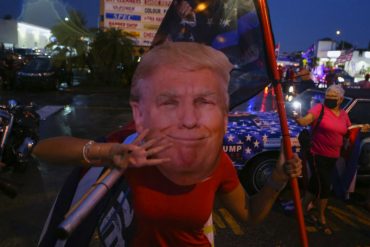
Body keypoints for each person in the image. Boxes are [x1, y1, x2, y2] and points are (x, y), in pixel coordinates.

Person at [33, 42, 302, 246]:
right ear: (140, 113)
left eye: (203, 101)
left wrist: (276, 179)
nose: (188, 119)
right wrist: (105, 152)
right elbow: (43, 150)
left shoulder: (217, 163)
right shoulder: (131, 147)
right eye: (170, 102)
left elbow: (250, 215)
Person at [294, 85, 351, 235]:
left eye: (333, 98)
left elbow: (348, 131)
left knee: (315, 185)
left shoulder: (344, 115)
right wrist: (299, 119)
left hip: (333, 157)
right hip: (317, 154)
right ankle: (321, 218)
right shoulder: (320, 108)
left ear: (340, 100)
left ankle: (300, 210)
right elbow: (306, 120)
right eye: (328, 97)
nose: (329, 100)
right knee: (324, 186)